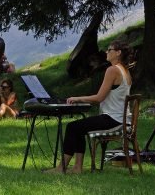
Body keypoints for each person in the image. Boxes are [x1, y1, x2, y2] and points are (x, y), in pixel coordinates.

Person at [46, 40, 133, 174]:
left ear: (118, 53)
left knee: (72, 127)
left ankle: (61, 168)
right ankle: (77, 168)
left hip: (113, 119)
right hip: (122, 119)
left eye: (109, 50)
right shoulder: (125, 71)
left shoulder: (112, 70)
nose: (106, 52)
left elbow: (99, 98)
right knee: (78, 128)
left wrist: (77, 98)